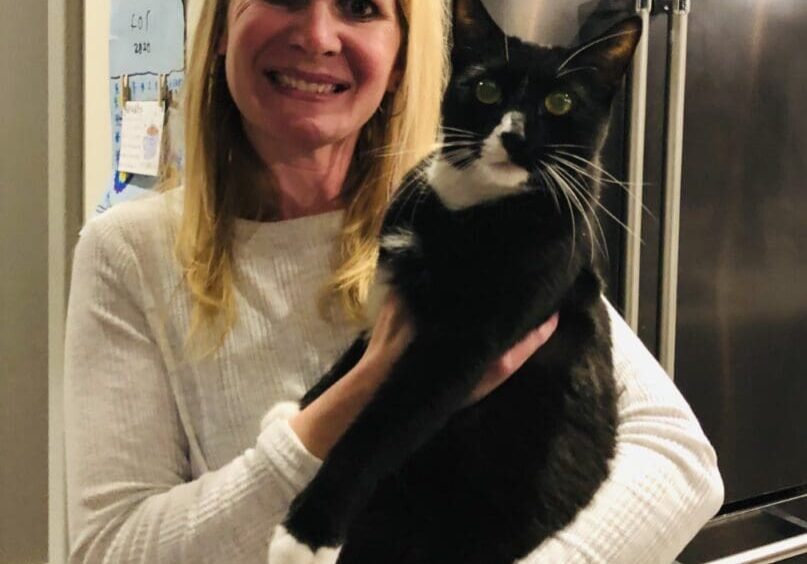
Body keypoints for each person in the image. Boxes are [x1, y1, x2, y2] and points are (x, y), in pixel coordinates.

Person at [63, 0, 724, 562]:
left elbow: (678, 463)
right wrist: (333, 416)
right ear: (218, 33)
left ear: (401, 57)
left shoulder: (475, 207)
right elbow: (111, 547)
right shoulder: (129, 253)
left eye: (360, 6)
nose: (317, 36)